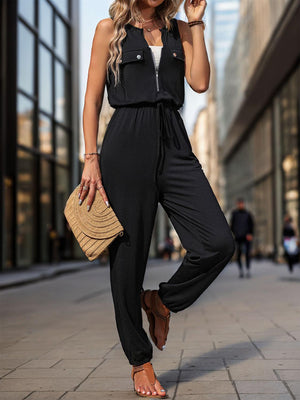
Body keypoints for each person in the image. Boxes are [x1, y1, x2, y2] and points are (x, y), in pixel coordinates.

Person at [78, 0, 235, 398]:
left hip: (174, 140)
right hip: (125, 142)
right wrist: (91, 159)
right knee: (127, 260)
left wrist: (196, 24)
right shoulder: (108, 29)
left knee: (218, 241)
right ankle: (140, 362)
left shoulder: (181, 30)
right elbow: (93, 99)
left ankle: (160, 301)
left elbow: (199, 83)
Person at [230, 198, 254, 278]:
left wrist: (250, 234)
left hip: (246, 237)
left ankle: (248, 270)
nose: (240, 205)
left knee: (247, 254)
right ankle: (241, 270)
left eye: (241, 204)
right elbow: (232, 225)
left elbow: (251, 225)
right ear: (237, 204)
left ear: (243, 204)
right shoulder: (234, 214)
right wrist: (234, 234)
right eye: (239, 204)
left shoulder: (248, 214)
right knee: (239, 254)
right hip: (238, 237)